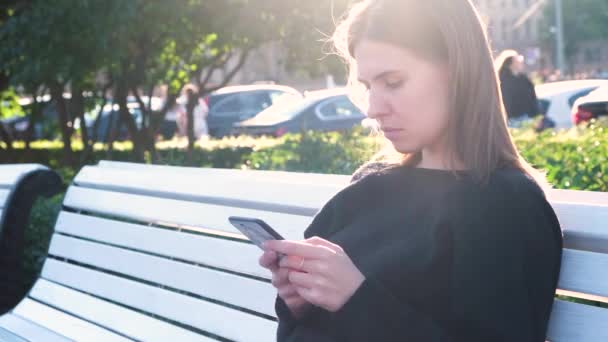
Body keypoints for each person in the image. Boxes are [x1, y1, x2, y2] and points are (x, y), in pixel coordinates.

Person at [259, 0, 563, 341]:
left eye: (393, 82)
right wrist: (300, 304)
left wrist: (356, 300)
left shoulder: (503, 205)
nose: (373, 109)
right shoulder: (368, 187)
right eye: (368, 86)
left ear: (458, 70)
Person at [495, 50, 541, 128]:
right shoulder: (502, 80)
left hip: (525, 117)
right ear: (510, 64)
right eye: (517, 60)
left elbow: (532, 99)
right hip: (511, 120)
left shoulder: (524, 79)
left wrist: (537, 116)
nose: (521, 63)